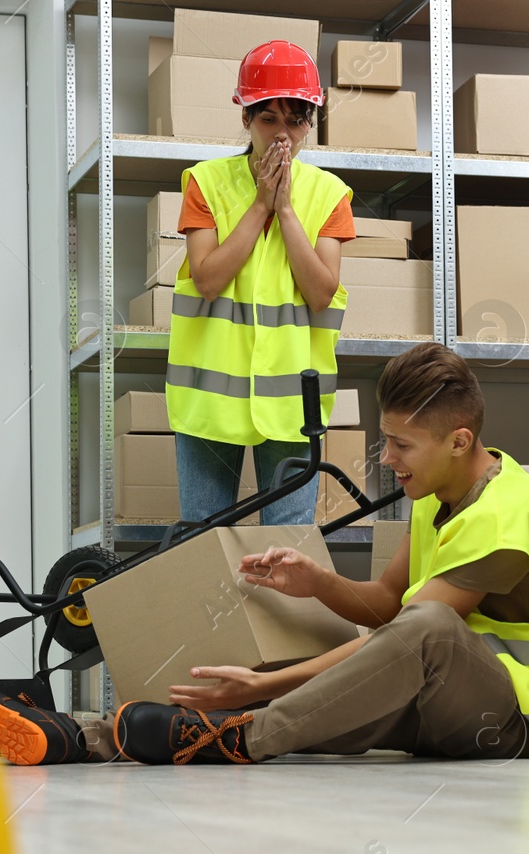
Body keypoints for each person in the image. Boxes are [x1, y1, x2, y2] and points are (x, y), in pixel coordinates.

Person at [112, 342, 529, 765]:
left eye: (401, 445)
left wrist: (268, 688)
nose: (387, 459)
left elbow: (412, 632)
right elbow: (388, 600)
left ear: (459, 441)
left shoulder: (504, 518)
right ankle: (98, 737)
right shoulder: (441, 490)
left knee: (409, 634)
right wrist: (319, 584)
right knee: (274, 675)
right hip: (448, 702)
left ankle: (243, 737)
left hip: (524, 725)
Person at [167, 40, 354, 527]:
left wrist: (286, 209)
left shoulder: (330, 195)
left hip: (293, 403)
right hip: (211, 401)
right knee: (204, 541)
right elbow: (207, 280)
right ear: (246, 118)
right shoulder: (204, 184)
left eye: (295, 120)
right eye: (268, 119)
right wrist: (259, 205)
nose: (282, 135)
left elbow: (319, 293)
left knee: (289, 548)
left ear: (311, 121)